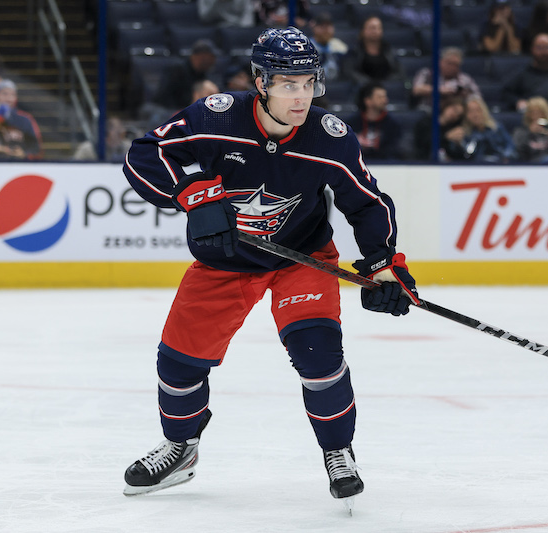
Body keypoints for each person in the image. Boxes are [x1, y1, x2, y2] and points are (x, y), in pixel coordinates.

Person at [121, 27, 418, 504]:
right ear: (261, 82)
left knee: (318, 353)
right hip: (224, 263)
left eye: (308, 84)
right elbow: (145, 154)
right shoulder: (215, 117)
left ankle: (338, 450)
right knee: (178, 364)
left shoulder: (328, 138)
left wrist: (384, 266)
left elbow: (366, 203)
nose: (300, 97)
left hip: (302, 260)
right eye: (287, 84)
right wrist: (192, 196)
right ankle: (181, 447)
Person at [150, 39, 218, 114]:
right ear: (197, 56)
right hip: (167, 111)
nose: (212, 61)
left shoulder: (204, 74)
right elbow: (164, 97)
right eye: (209, 57)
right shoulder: (176, 70)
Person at [502, 33, 548, 112]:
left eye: (547, 47)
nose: (543, 52)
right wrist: (517, 102)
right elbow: (506, 92)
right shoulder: (522, 74)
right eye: (539, 48)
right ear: (532, 49)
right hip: (534, 116)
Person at [445, 95, 517, 163]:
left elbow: (510, 146)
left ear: (484, 111)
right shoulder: (464, 133)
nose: (475, 114)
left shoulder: (496, 128)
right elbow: (462, 155)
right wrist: (457, 143)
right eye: (471, 111)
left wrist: (505, 157)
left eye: (478, 110)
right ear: (466, 115)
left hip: (499, 164)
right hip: (474, 167)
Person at [411, 47, 481, 112]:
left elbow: (478, 97)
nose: (452, 67)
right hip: (429, 112)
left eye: (456, 65)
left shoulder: (465, 79)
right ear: (440, 62)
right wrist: (440, 90)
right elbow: (417, 89)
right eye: (449, 63)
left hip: (456, 114)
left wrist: (465, 95)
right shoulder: (427, 74)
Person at [344, 82, 402, 160]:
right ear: (368, 101)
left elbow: (395, 150)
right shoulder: (352, 123)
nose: (385, 100)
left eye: (385, 97)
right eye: (380, 97)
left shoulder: (392, 124)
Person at [344, 16, 401, 85]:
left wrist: (385, 84)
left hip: (386, 88)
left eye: (378, 28)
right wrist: (370, 85)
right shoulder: (354, 51)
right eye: (372, 28)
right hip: (362, 89)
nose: (375, 31)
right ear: (362, 31)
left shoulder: (389, 50)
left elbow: (398, 72)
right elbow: (349, 72)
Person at [511, 96, 548, 163]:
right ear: (528, 114)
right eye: (533, 112)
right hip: (527, 164)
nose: (536, 115)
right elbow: (518, 153)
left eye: (540, 112)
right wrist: (530, 133)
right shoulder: (520, 131)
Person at [413, 95, 465, 160]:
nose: (454, 114)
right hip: (423, 162)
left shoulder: (453, 129)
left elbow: (459, 156)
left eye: (458, 115)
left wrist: (458, 144)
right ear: (447, 105)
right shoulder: (426, 122)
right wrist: (446, 137)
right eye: (454, 109)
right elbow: (425, 142)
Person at [309, 12, 348, 82]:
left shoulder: (339, 46)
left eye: (328, 26)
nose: (326, 30)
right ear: (314, 28)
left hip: (336, 84)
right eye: (322, 26)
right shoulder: (307, 46)